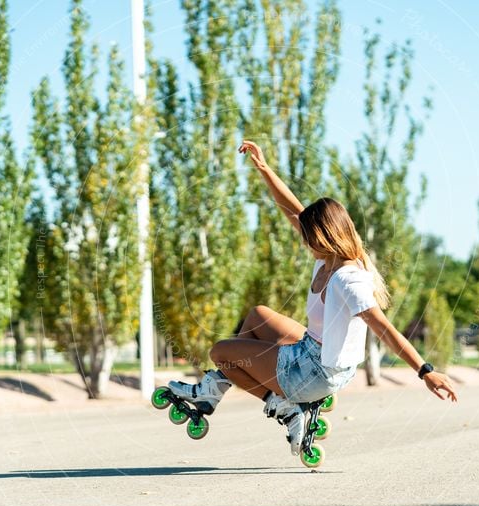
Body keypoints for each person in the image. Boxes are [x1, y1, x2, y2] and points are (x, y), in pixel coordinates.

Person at [167, 140, 458, 455]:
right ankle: (214, 390)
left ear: (322, 237)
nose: (302, 240)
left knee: (221, 351)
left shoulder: (347, 278)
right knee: (257, 316)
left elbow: (384, 329)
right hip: (314, 353)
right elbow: (293, 209)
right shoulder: (327, 258)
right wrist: (265, 169)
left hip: (314, 373)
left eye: (307, 237)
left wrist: (425, 371)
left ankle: (284, 407)